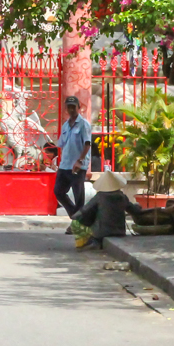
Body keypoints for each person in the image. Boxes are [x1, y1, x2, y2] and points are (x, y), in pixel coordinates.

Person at [71, 171, 143, 250]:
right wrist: (137, 206)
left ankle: (90, 241)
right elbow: (134, 210)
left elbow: (85, 210)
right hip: (119, 231)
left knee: (75, 223)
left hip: (101, 233)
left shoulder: (99, 196)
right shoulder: (122, 197)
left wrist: (75, 217)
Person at [54, 95, 92, 232]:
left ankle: (78, 225)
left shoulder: (84, 124)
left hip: (78, 166)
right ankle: (76, 217)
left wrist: (80, 160)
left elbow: (87, 144)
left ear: (78, 108)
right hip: (65, 164)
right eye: (68, 107)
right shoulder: (65, 125)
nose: (71, 110)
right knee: (58, 191)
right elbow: (62, 144)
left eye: (73, 107)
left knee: (78, 196)